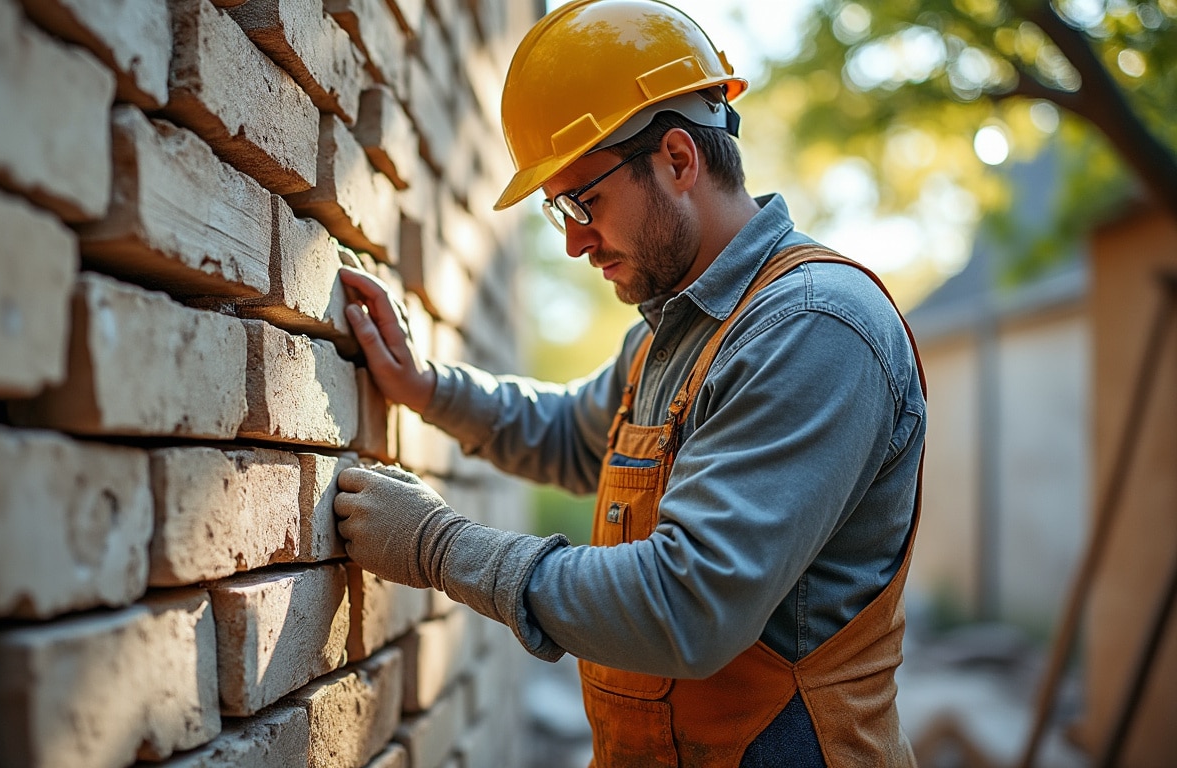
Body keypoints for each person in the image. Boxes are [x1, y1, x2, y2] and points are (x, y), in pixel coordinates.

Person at [333, 0, 927, 765]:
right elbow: (569, 435)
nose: (577, 240)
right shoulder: (671, 336)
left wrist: (439, 547)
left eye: (584, 200)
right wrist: (424, 386)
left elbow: (690, 605)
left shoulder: (814, 331)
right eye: (559, 211)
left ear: (679, 160)